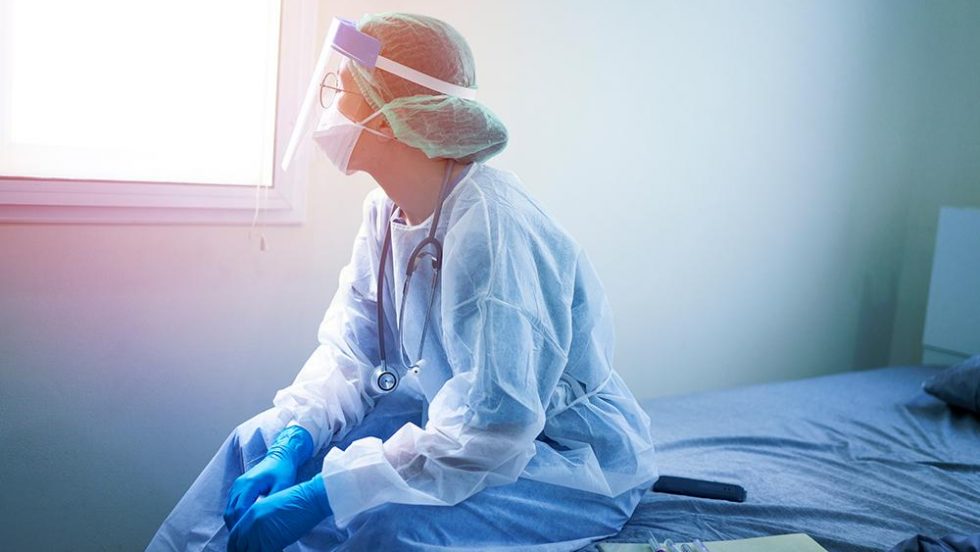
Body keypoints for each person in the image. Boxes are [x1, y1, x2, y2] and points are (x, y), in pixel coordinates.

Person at [147, 12, 657, 552]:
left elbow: (492, 431)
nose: (331, 109)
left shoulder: (490, 229)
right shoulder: (384, 214)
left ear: (392, 118)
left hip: (558, 458)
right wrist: (295, 439)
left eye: (342, 90)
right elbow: (353, 352)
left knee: (387, 529)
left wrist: (325, 492)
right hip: (458, 420)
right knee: (256, 442)